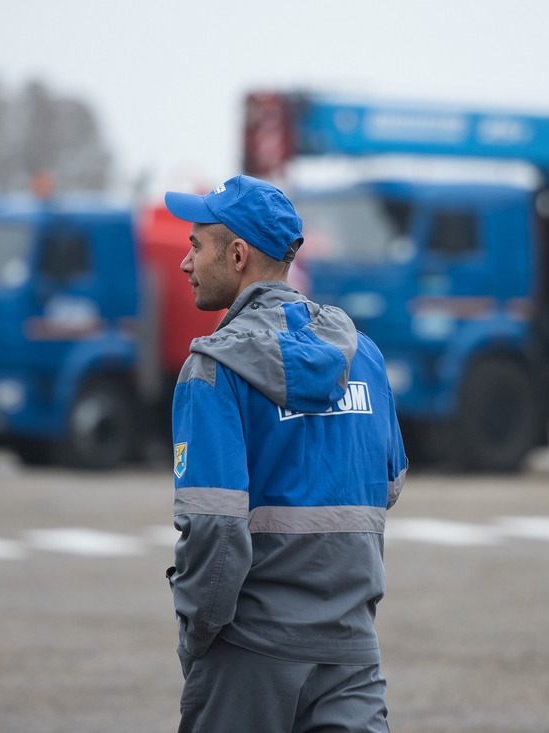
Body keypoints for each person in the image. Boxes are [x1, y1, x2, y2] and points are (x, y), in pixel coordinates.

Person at [163, 174, 408, 733]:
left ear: (239, 254)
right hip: (351, 654)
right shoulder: (363, 356)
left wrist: (198, 637)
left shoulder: (214, 370)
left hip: (251, 654)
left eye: (195, 246)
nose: (185, 263)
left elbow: (214, 530)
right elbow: (387, 486)